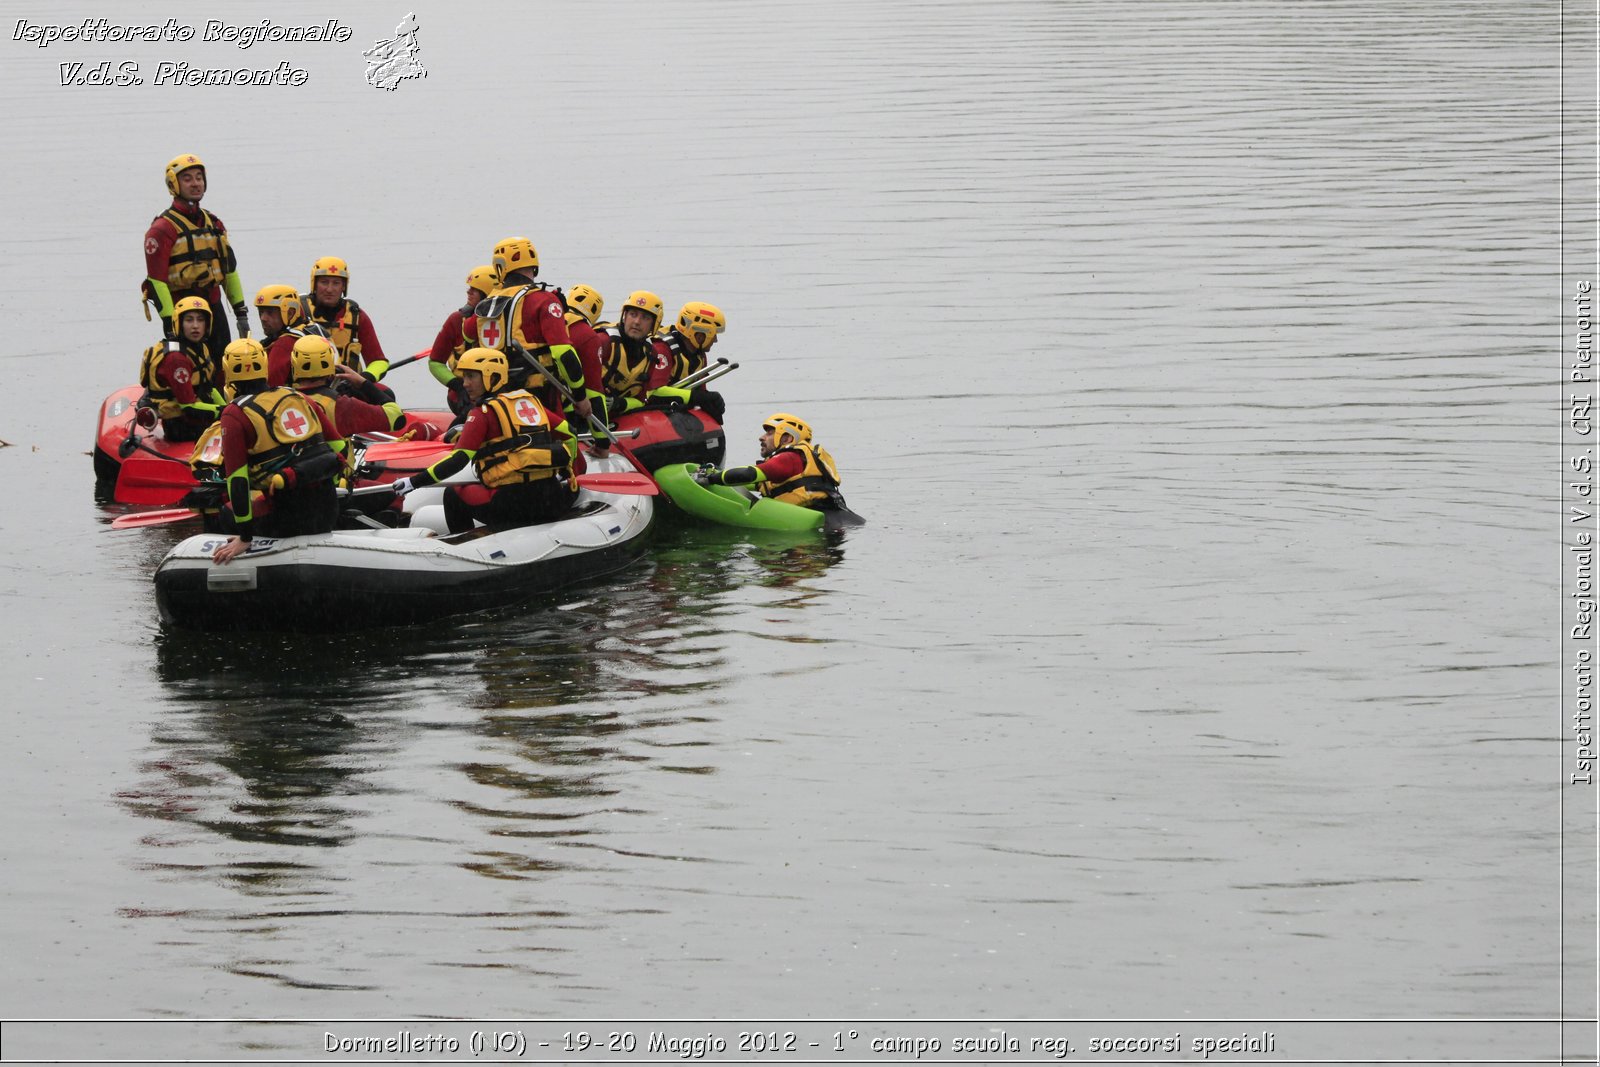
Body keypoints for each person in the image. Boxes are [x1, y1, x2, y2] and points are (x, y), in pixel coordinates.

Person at [389, 348, 578, 534]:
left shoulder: (482, 413)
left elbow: (459, 459)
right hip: (551, 499)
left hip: (513, 506)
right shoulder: (531, 402)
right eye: (464, 377)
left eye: (472, 377)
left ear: (492, 377)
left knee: (453, 494)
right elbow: (570, 433)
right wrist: (565, 470)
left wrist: (413, 482)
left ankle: (464, 544)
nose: (465, 384)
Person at [209, 338, 343, 565]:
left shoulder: (234, 414)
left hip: (287, 519)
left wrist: (245, 537)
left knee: (226, 513)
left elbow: (238, 480)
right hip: (328, 509)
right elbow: (339, 447)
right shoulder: (298, 396)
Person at [462, 237, 603, 426]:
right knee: (566, 441)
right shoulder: (543, 300)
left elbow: (467, 333)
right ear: (534, 265)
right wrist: (580, 396)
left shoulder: (488, 304)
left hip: (495, 399)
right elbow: (564, 354)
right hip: (537, 397)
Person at [143, 153, 249, 355]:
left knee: (221, 365)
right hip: (183, 313)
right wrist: (169, 322)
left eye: (199, 178)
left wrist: (240, 312)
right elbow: (156, 281)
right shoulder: (162, 230)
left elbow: (229, 270)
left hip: (213, 307)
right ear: (174, 184)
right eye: (187, 178)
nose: (195, 183)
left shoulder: (214, 223)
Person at [288, 335, 412, 468]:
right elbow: (397, 418)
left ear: (294, 364)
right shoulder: (342, 405)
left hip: (292, 481)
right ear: (331, 365)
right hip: (336, 485)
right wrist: (362, 382)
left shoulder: (282, 402)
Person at [598, 290, 720, 422]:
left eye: (645, 318)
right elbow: (653, 393)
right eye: (633, 315)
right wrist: (696, 397)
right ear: (624, 316)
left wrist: (619, 404)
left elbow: (642, 399)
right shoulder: (606, 342)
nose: (637, 322)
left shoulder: (650, 353)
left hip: (617, 416)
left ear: (654, 324)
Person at [694, 412, 848, 513]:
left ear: (787, 438)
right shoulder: (795, 461)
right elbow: (746, 482)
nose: (761, 437)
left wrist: (710, 479)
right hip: (833, 518)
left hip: (825, 523)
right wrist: (717, 476)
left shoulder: (789, 458)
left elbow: (749, 474)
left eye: (769, 432)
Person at [136, 296, 226, 442]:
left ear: (207, 324)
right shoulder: (177, 360)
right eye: (189, 320)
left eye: (200, 320)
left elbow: (208, 388)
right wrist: (223, 412)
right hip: (181, 425)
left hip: (199, 414)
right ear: (179, 323)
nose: (195, 326)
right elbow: (188, 407)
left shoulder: (201, 348)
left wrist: (227, 408)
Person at [299, 256, 391, 382]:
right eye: (324, 282)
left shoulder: (357, 316)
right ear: (314, 284)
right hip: (307, 387)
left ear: (343, 286)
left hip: (348, 387)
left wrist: (363, 379)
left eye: (336, 283)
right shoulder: (299, 312)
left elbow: (379, 362)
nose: (330, 289)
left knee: (387, 394)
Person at [428, 265, 501, 417]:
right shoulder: (456, 320)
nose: (468, 292)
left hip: (497, 391)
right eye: (469, 288)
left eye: (474, 289)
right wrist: (458, 386)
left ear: (487, 294)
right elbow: (435, 363)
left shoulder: (505, 320)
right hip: (463, 394)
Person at [653, 301, 728, 422]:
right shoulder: (662, 349)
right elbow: (653, 393)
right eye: (714, 335)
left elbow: (700, 392)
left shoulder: (699, 356)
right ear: (699, 335)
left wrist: (709, 401)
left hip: (674, 413)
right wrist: (696, 397)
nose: (715, 340)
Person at [254, 283, 329, 387]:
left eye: (270, 312)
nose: (263, 318)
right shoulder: (315, 329)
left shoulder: (284, 344)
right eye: (261, 312)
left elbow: (270, 387)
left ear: (290, 313)